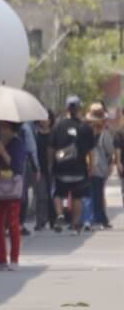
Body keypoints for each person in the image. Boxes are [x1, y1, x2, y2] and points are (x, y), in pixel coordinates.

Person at [51, 95, 96, 235]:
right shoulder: (85, 127)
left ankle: (60, 214)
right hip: (79, 169)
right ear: (79, 108)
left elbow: (51, 148)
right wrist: (91, 166)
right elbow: (91, 150)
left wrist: (51, 163)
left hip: (61, 168)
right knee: (77, 197)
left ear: (66, 108)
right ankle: (75, 226)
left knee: (59, 194)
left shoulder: (58, 125)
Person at [0, 122, 27, 270]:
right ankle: (1, 259)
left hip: (12, 188)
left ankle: (14, 259)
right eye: (0, 128)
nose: (1, 131)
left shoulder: (18, 144)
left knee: (13, 224)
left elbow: (16, 166)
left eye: (3, 128)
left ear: (11, 129)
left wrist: (3, 152)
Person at [86, 104, 114, 230]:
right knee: (92, 194)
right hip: (88, 167)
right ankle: (95, 219)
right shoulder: (87, 131)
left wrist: (110, 165)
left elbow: (110, 151)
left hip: (97, 168)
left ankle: (99, 219)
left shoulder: (104, 134)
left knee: (96, 193)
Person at [33, 110, 55, 231]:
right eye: (42, 118)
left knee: (53, 195)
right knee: (41, 196)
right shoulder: (35, 134)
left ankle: (53, 220)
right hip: (40, 168)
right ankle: (40, 220)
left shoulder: (54, 133)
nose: (44, 121)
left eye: (47, 119)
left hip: (52, 168)